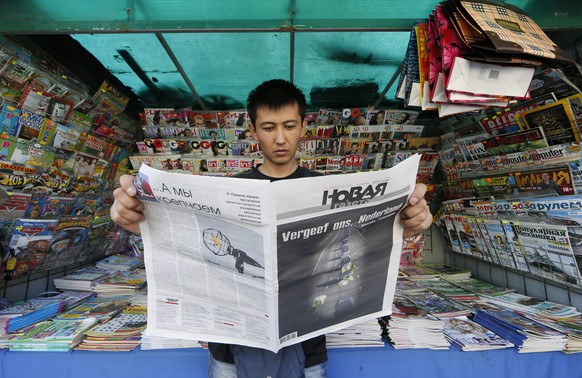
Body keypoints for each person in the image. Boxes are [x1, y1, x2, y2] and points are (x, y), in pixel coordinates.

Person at [111, 79, 433, 378]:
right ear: (252, 130)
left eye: (290, 126)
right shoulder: (229, 192)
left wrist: (411, 220)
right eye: (269, 127)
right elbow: (193, 246)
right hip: (230, 351)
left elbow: (365, 243)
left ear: (304, 127)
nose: (280, 138)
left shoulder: (327, 191)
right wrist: (139, 220)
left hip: (307, 352)